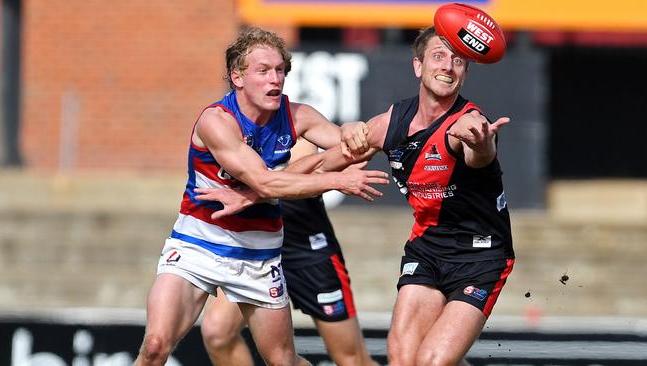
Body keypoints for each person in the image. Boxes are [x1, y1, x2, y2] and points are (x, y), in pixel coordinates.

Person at [195, 26, 515, 366]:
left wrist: (482, 144)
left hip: (480, 256)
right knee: (402, 359)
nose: (448, 67)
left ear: (465, 73)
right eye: (438, 57)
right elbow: (320, 162)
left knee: (431, 362)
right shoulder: (390, 123)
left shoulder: (470, 124)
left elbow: (478, 155)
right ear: (418, 66)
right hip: (429, 248)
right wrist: (253, 194)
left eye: (459, 61)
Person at [133, 27, 388, 366]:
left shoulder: (298, 115)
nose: (275, 79)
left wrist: (354, 130)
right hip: (198, 243)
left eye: (280, 70)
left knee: (283, 361)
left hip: (258, 254)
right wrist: (337, 181)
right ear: (237, 77)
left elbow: (348, 147)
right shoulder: (217, 121)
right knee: (154, 345)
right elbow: (267, 184)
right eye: (263, 71)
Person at [200, 138, 379, 366]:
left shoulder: (296, 124)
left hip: (307, 251)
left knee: (351, 359)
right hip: (259, 250)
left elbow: (299, 178)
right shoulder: (229, 125)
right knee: (217, 333)